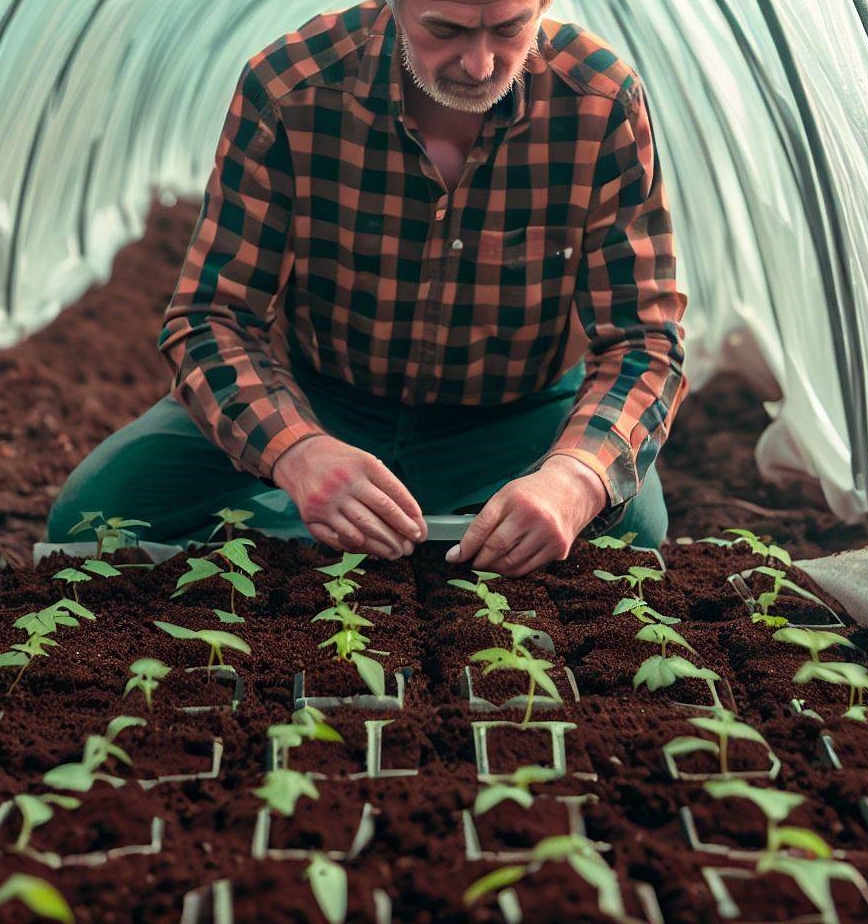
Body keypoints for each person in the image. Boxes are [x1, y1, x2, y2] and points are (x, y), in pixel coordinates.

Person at [46, 0, 689, 578]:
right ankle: (387, 528)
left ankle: (392, 532)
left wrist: (571, 479)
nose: (478, 61)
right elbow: (211, 317)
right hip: (324, 396)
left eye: (508, 28)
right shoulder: (293, 88)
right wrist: (297, 451)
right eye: (446, 29)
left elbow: (645, 339)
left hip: (516, 416)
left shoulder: (599, 102)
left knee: (632, 532)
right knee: (93, 518)